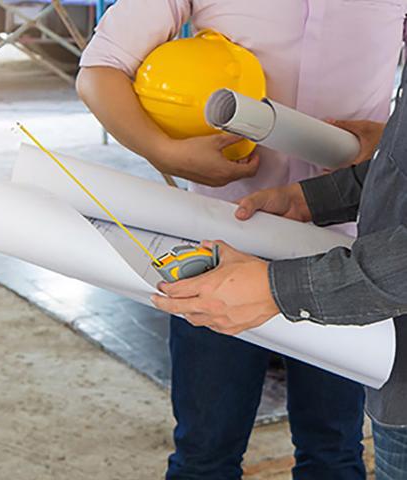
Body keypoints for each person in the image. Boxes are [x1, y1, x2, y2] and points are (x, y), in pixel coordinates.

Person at [76, 1, 406, 478]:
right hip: (220, 246)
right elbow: (100, 68)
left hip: (346, 261)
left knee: (334, 448)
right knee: (206, 449)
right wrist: (164, 151)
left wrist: (390, 136)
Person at [151, 67, 407, 478]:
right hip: (383, 348)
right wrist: (310, 199)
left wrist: (278, 289)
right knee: (205, 450)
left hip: (358, 301)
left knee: (333, 447)